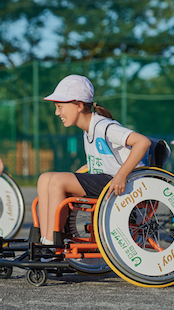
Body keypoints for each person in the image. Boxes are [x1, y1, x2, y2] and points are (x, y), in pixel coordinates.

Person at [37, 74, 151, 250]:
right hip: (106, 179)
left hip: (124, 184)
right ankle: (45, 240)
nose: (57, 112)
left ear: (79, 105)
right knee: (45, 178)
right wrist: (84, 169)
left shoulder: (104, 126)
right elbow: (104, 160)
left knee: (57, 181)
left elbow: (143, 142)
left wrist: (121, 176)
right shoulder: (88, 129)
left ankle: (53, 244)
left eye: (60, 107)